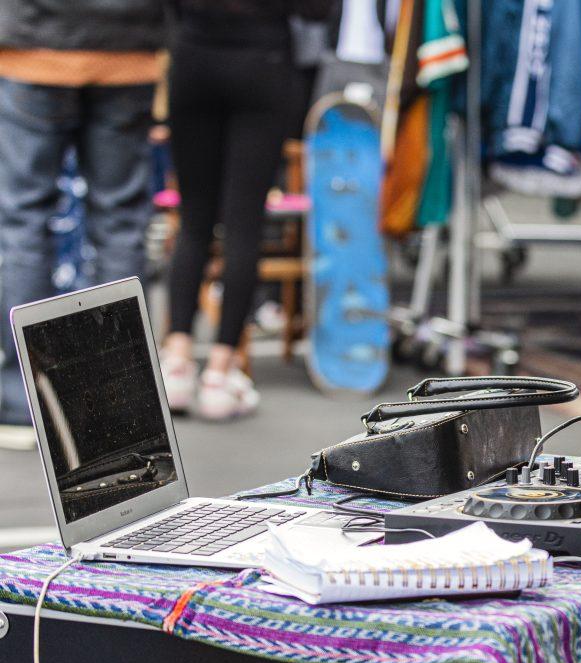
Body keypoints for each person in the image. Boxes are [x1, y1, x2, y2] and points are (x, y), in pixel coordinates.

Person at [0, 0, 165, 448]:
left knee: (23, 218)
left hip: (35, 45)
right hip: (127, 48)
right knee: (120, 222)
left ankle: (23, 401)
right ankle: (119, 404)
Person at [161, 0, 333, 421]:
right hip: (263, 59)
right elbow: (317, 10)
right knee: (244, 223)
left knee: (194, 220)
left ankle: (177, 363)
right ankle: (220, 374)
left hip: (194, 54)